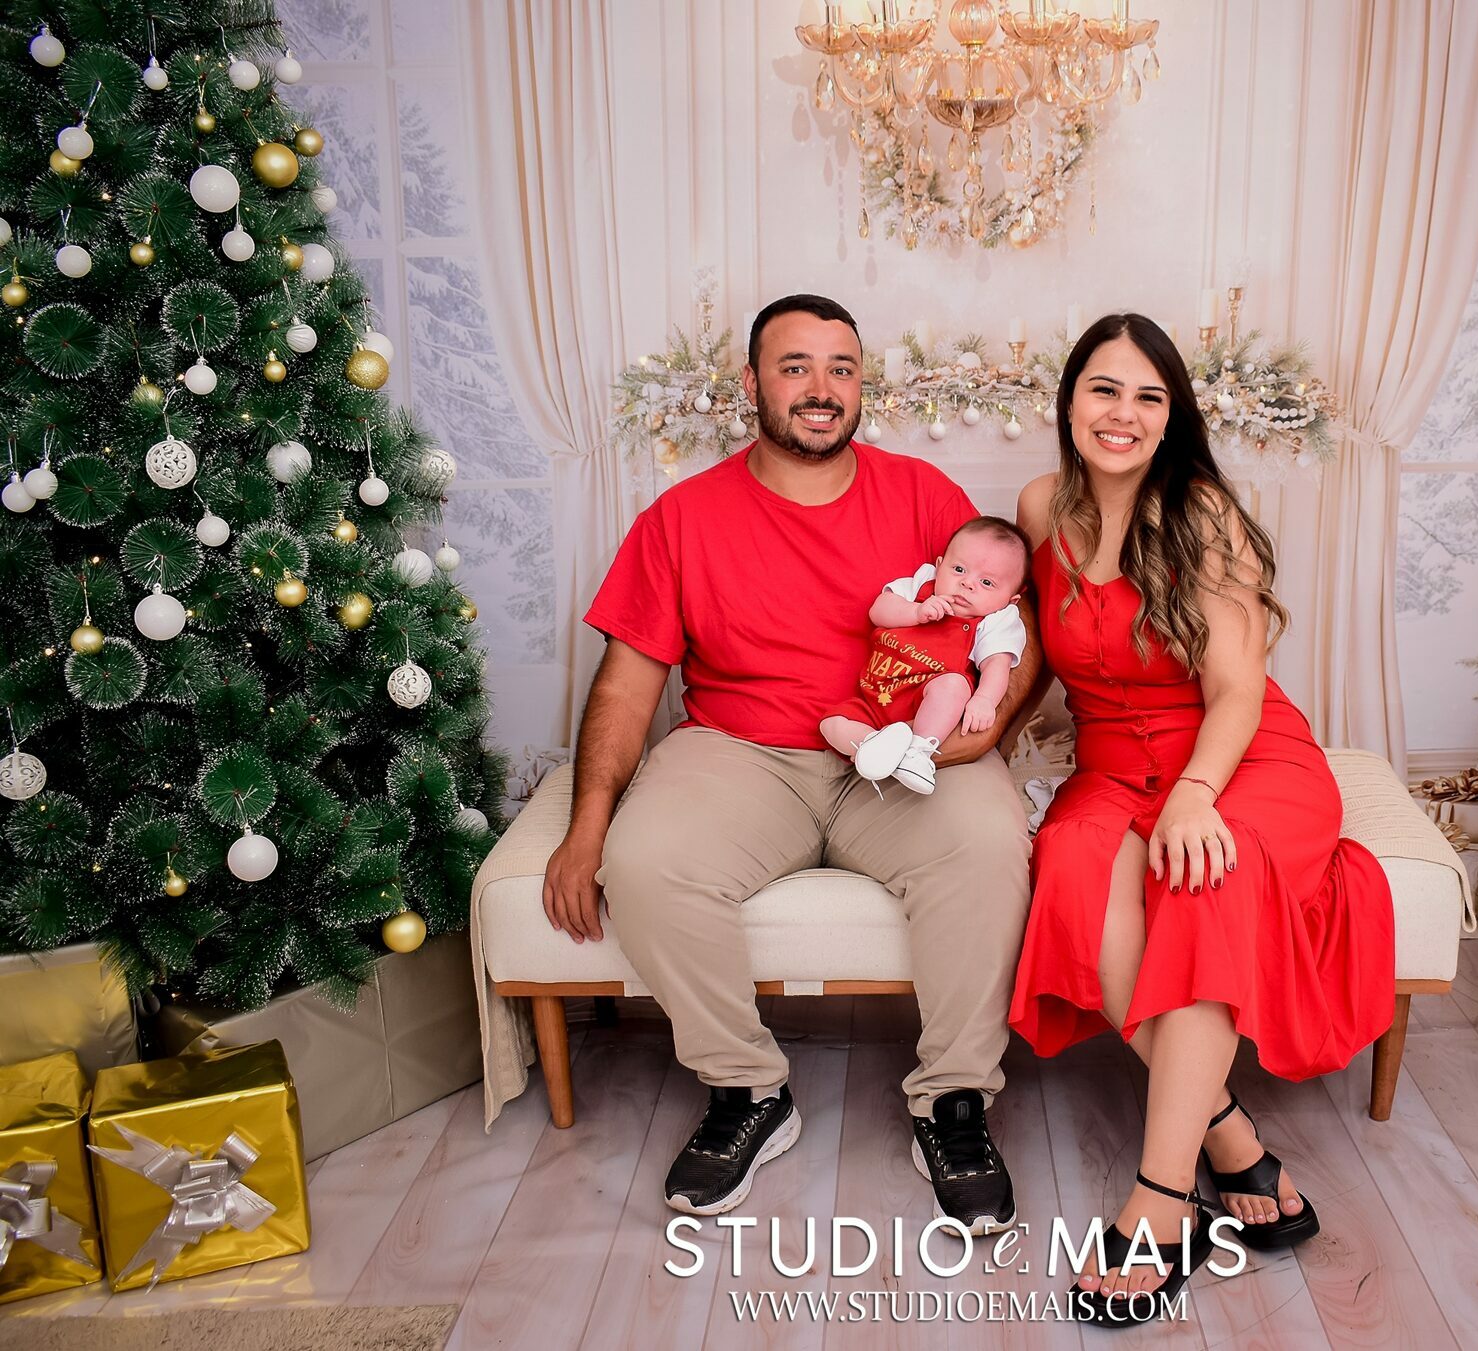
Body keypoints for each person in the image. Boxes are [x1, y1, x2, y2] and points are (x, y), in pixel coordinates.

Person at [544, 295, 1038, 1233]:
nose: (821, 388)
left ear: (862, 385)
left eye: (841, 368)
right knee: (645, 861)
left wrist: (985, 729)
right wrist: (585, 828)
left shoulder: (924, 497)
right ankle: (748, 1089)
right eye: (796, 366)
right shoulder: (682, 517)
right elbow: (625, 687)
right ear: (752, 383)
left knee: (985, 843)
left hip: (902, 751)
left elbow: (1014, 628)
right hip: (742, 753)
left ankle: (954, 1101)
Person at [1006, 313, 1396, 1325]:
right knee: (1072, 868)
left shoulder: (1202, 513)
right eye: (1104, 388)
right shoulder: (1041, 506)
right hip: (1110, 761)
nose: (1123, 413)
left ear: (1172, 414)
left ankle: (1163, 1196)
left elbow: (1236, 689)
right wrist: (974, 736)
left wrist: (1194, 794)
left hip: (1235, 755)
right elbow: (1036, 652)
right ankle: (1228, 1132)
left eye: (1149, 396)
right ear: (1069, 399)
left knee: (1202, 875)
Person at [820, 516, 1030, 795]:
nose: (967, 584)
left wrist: (984, 700)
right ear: (939, 566)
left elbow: (996, 665)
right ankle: (875, 747)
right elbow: (878, 610)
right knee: (831, 724)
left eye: (987, 582)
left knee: (955, 685)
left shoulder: (996, 620)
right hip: (874, 699)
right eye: (959, 569)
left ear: (1010, 599)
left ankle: (918, 752)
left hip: (924, 709)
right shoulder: (921, 585)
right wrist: (915, 612)